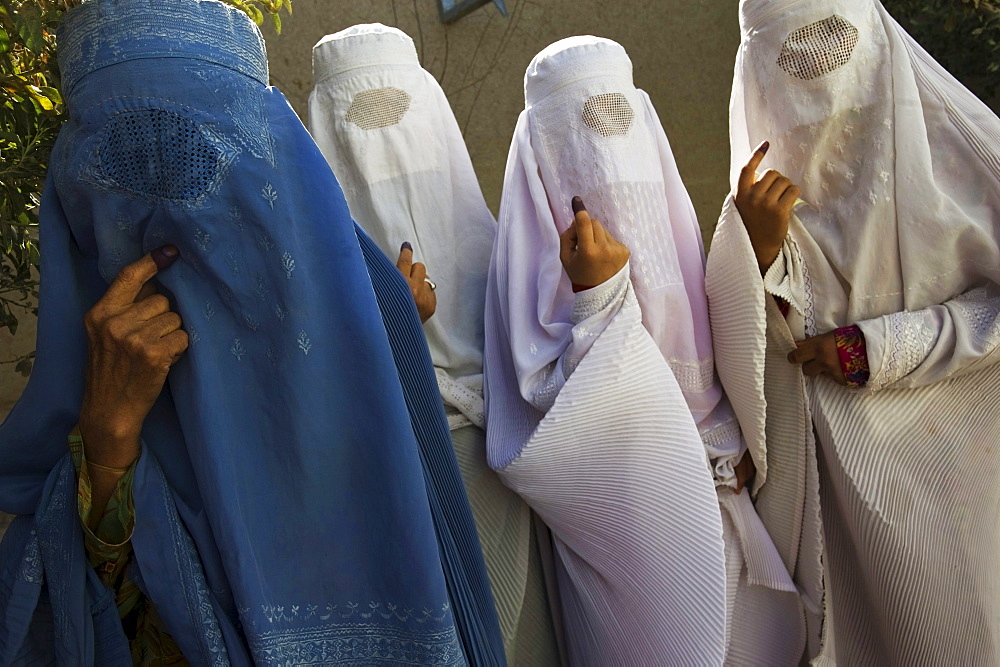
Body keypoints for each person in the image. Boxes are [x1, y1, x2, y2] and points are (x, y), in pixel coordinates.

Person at [0, 1, 505, 663]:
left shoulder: (373, 322)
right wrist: (108, 439)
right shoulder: (87, 391)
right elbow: (61, 611)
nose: (161, 204)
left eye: (193, 156)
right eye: (119, 162)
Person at [483, 36, 797, 665]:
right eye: (582, 137)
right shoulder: (522, 279)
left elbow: (718, 354)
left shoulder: (679, 231)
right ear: (540, 161)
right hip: (632, 549)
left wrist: (754, 254)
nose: (612, 167)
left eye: (620, 123)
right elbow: (538, 430)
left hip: (730, 507)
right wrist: (597, 302)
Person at [706, 0, 1000, 662]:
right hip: (842, 520)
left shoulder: (961, 153)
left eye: (834, 49)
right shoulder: (754, 209)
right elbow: (749, 377)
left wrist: (888, 347)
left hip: (974, 498)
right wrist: (753, 258)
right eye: (790, 66)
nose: (818, 96)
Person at [308, 24, 561, 665]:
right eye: (364, 124)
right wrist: (388, 326)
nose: (388, 153)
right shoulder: (310, 275)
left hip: (508, 483)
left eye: (402, 116)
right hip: (397, 503)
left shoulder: (498, 253)